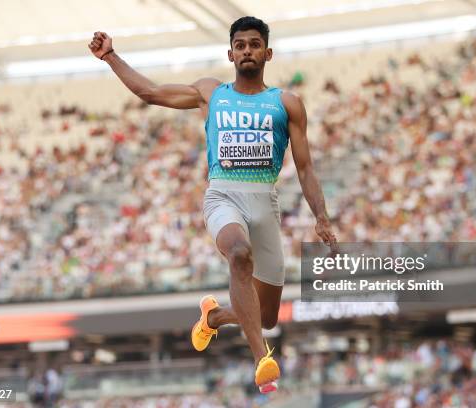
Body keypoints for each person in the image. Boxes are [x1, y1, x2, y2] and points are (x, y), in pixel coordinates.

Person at [89, 16, 337, 393]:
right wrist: (111, 57)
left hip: (264, 204)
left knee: (266, 315)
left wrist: (321, 217)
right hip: (224, 195)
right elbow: (152, 92)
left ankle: (215, 316)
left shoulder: (287, 104)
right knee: (238, 254)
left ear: (267, 53)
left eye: (254, 44)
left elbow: (305, 167)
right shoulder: (212, 93)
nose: (247, 51)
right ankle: (262, 359)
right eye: (240, 45)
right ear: (230, 53)